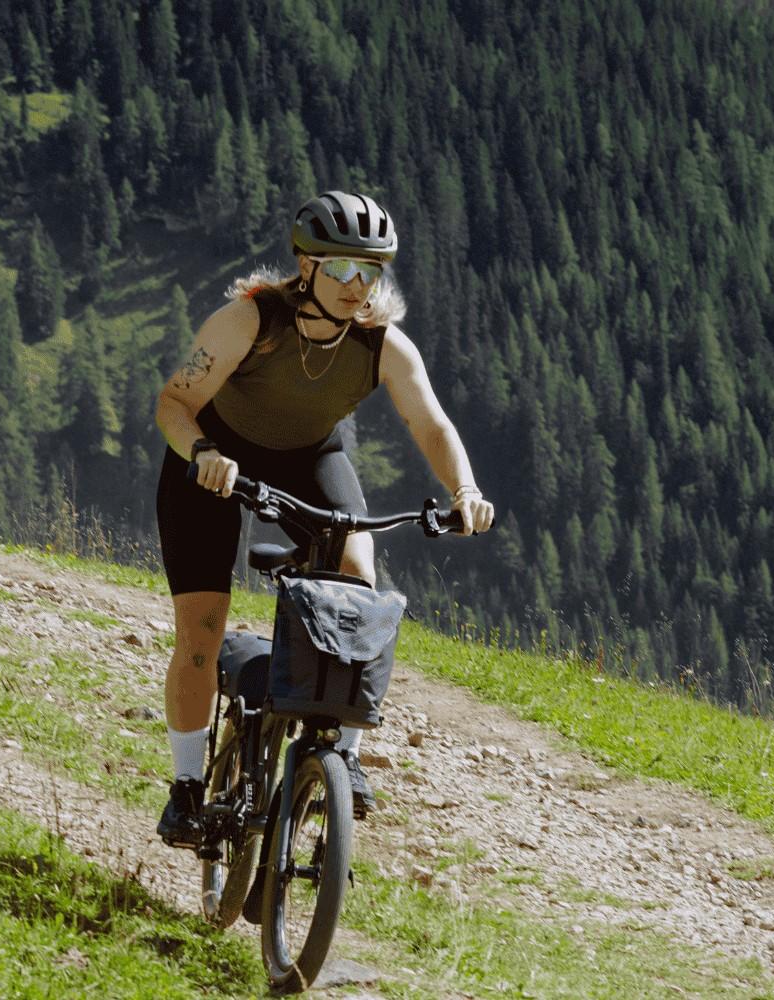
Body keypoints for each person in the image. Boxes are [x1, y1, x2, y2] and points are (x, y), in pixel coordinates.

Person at [151, 191, 497, 847]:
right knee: (201, 628)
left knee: (358, 578)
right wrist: (203, 453)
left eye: (369, 271)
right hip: (214, 461)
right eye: (339, 269)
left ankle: (344, 759)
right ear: (305, 265)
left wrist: (465, 490)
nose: (355, 285)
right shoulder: (249, 320)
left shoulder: (381, 345)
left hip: (311, 456)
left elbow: (431, 424)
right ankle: (188, 788)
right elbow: (174, 402)